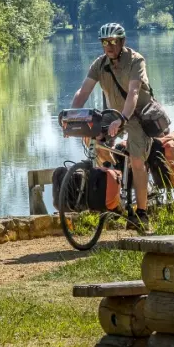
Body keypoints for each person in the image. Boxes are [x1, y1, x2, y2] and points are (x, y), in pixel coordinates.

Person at [70, 23, 153, 231]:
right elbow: (84, 90)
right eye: (105, 42)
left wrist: (123, 119)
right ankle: (116, 174)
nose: (109, 46)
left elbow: (134, 93)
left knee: (136, 160)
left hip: (136, 116)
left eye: (113, 42)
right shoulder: (99, 64)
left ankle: (142, 214)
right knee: (92, 139)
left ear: (122, 42)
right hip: (113, 114)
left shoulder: (136, 61)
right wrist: (72, 115)